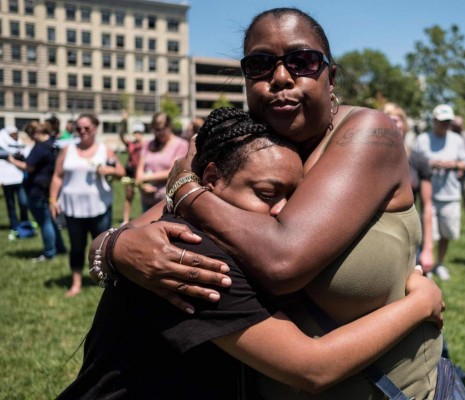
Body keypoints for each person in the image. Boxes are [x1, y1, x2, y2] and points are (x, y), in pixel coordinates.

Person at [92, 8, 448, 399]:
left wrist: (189, 193)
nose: (280, 77)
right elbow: (130, 233)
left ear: (331, 77)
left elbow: (283, 261)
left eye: (303, 61)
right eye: (260, 65)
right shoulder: (238, 147)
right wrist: (116, 247)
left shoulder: (366, 133)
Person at [58, 107, 444, 399]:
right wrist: (420, 304)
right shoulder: (192, 254)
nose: (281, 211)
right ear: (210, 179)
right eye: (266, 194)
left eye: (294, 198)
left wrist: (111, 245)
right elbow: (313, 367)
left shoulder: (223, 231)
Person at [49, 114, 125, 297]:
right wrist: (52, 200)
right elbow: (57, 176)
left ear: (95, 129)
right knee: (77, 246)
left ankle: (108, 281)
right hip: (73, 208)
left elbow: (121, 172)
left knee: (103, 248)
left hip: (99, 207)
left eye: (87, 128)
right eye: (79, 128)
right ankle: (76, 283)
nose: (82, 131)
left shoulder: (104, 150)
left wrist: (110, 170)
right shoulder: (68, 150)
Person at [413, 104, 465, 281]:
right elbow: (413, 164)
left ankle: (440, 263)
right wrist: (430, 164)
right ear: (434, 121)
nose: (445, 125)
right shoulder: (422, 139)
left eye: (448, 122)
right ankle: (425, 266)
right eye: (442, 122)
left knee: (446, 234)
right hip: (427, 195)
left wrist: (453, 164)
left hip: (450, 194)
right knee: (427, 234)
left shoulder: (457, 140)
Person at [383, 102, 434, 274]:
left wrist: (428, 248)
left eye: (396, 120)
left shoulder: (418, 160)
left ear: (404, 125)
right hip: (379, 236)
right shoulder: (369, 160)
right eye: (386, 119)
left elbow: (427, 207)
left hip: (410, 237)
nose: (392, 124)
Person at [8, 121, 67, 261]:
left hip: (38, 190)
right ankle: (60, 248)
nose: (31, 138)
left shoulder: (40, 148)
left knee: (45, 222)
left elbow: (29, 167)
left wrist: (12, 161)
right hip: (49, 188)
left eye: (31, 135)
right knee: (51, 222)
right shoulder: (54, 144)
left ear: (36, 133)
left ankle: (49, 253)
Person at [136, 112, 188, 212]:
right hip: (147, 199)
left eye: (162, 129)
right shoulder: (148, 144)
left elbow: (173, 171)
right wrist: (142, 185)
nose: (159, 133)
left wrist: (146, 177)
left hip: (167, 200)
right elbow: (139, 169)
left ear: (170, 126)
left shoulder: (181, 145)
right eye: (155, 129)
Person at [0, 125, 30, 235]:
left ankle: (25, 222)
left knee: (23, 202)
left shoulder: (19, 142)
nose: (16, 135)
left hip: (19, 178)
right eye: (13, 133)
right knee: (10, 204)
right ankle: (14, 225)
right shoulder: (2, 145)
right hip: (7, 180)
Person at [119, 117, 145, 224]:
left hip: (141, 172)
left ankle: (145, 218)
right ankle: (125, 220)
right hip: (130, 172)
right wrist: (123, 122)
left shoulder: (146, 145)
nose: (137, 134)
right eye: (135, 132)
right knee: (128, 196)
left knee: (144, 197)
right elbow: (121, 136)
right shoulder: (130, 144)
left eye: (139, 132)